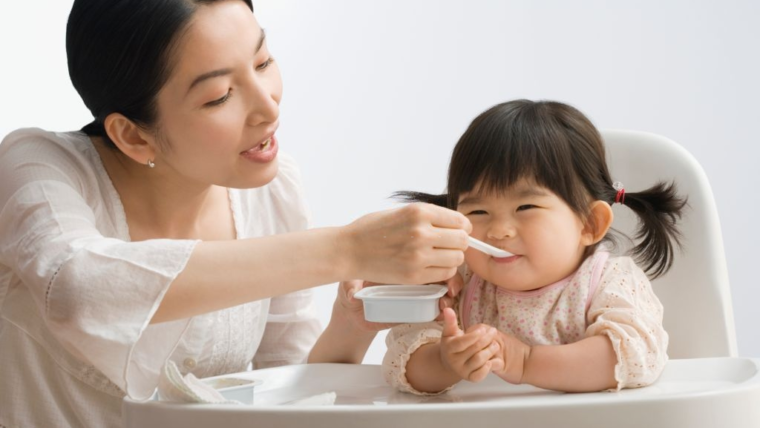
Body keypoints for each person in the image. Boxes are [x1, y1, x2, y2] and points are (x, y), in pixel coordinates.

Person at [0, 1, 471, 427]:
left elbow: (288, 390)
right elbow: (78, 289)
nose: (269, 107)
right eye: (220, 95)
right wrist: (348, 248)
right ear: (133, 136)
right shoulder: (38, 167)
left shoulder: (271, 190)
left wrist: (348, 324)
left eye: (263, 62)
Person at [382, 99, 687, 395]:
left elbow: (633, 356)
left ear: (589, 223)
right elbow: (403, 361)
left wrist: (525, 362)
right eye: (478, 212)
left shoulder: (609, 280)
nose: (498, 231)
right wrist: (445, 362)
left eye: (525, 206)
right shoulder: (458, 284)